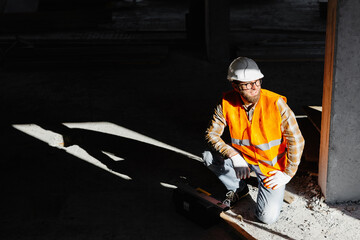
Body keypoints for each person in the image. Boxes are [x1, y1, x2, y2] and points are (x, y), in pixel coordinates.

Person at [203, 57, 305, 224]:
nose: (254, 88)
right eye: (246, 84)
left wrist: (288, 173)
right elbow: (211, 134)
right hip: (243, 159)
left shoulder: (276, 103)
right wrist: (234, 156)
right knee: (209, 157)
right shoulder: (226, 103)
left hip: (270, 167)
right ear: (235, 86)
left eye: (256, 82)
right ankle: (239, 188)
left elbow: (297, 140)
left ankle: (262, 184)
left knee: (267, 218)